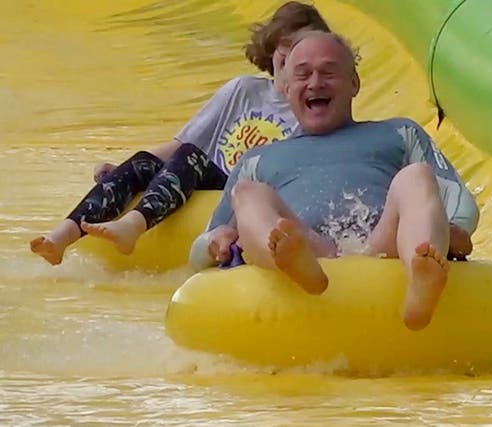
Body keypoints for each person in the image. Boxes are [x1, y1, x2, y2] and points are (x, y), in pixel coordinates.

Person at [191, 31, 480, 331]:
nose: (315, 83)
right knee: (247, 193)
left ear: (354, 84)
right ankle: (291, 262)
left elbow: (460, 202)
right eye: (303, 75)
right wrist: (216, 241)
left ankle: (422, 274)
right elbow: (199, 249)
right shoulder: (258, 159)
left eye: (329, 72)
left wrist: (452, 231)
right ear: (286, 89)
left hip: (382, 246)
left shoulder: (398, 133)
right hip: (307, 246)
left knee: (416, 176)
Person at [30, 2, 331, 265]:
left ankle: (135, 225)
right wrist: (125, 168)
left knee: (191, 157)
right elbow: (182, 143)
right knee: (145, 161)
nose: (295, 58)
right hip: (197, 174)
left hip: (237, 192)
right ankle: (61, 237)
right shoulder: (243, 90)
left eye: (304, 52)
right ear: (272, 50)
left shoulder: (310, 109)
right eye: (287, 48)